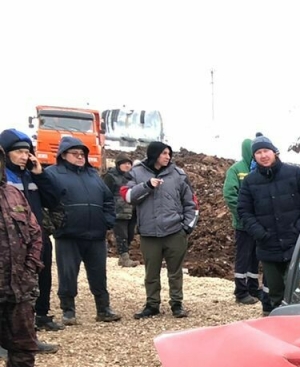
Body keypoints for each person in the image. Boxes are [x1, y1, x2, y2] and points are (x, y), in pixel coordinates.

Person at [0, 155, 61, 367]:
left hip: (19, 284)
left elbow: (35, 232)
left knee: (24, 339)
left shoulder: (13, 194)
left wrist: (31, 267)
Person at [237, 135, 300, 312]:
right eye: (258, 152)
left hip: (296, 245)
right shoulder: (250, 182)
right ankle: (276, 325)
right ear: (254, 157)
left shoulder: (295, 174)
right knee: (275, 293)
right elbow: (244, 211)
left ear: (274, 152)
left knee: (298, 291)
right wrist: (259, 232)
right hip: (268, 246)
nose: (263, 155)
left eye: (266, 150)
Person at [43, 136, 119, 324]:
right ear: (63, 155)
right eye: (75, 153)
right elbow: (46, 201)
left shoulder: (93, 174)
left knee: (99, 274)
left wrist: (107, 221)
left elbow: (108, 200)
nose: (80, 157)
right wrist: (56, 224)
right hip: (68, 235)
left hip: (95, 234)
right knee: (68, 274)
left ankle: (103, 309)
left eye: (82, 153)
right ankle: (68, 311)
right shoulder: (52, 174)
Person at [124, 141, 198, 319]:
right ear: (154, 154)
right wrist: (147, 185)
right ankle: (152, 305)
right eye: (164, 153)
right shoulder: (136, 173)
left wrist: (187, 227)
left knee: (175, 272)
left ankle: (177, 304)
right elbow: (127, 196)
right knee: (151, 272)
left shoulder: (178, 174)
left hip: (175, 232)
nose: (168, 157)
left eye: (169, 153)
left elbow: (191, 203)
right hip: (149, 233)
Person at [1, 129, 61, 332]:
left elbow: (53, 200)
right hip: (10, 240)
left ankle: (40, 316)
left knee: (42, 277)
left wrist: (40, 175)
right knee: (13, 283)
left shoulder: (31, 176)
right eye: (18, 152)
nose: (23, 157)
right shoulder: (4, 178)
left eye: (26, 152)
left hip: (38, 236)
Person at [223, 137, 259, 304]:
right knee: (243, 256)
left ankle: (253, 287)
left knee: (255, 256)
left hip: (259, 224)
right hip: (244, 225)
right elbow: (230, 195)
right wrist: (243, 216)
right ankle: (241, 291)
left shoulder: (260, 169)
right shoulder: (236, 170)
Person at [101, 157, 137, 267]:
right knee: (122, 235)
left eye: (129, 164)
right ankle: (124, 258)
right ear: (118, 165)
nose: (127, 166)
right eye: (124, 163)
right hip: (118, 211)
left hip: (131, 210)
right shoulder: (110, 177)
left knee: (130, 234)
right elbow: (106, 194)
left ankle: (123, 256)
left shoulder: (132, 177)